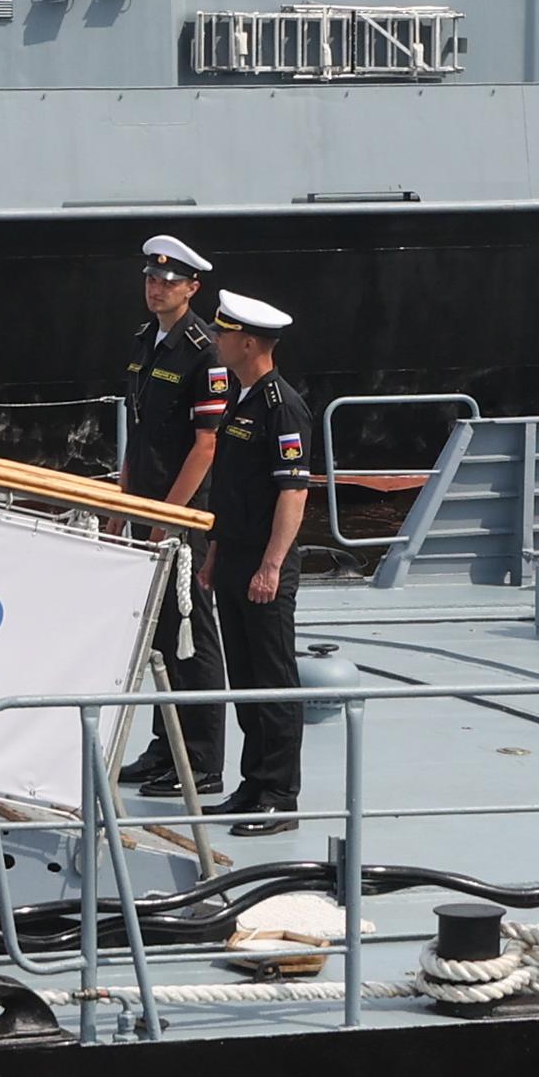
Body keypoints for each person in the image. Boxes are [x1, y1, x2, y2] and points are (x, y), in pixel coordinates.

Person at [111, 233, 228, 798]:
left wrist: (168, 514)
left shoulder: (204, 351)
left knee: (191, 629)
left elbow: (205, 445)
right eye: (151, 279)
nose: (156, 289)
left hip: (183, 511)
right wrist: (121, 502)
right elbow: (140, 433)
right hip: (146, 502)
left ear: (192, 288)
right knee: (159, 632)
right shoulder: (146, 342)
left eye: (169, 282)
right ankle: (167, 747)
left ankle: (201, 760)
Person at [202, 291, 321, 825]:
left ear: (247, 343)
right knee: (246, 679)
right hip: (232, 556)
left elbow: (292, 492)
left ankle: (279, 793)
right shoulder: (241, 398)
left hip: (263, 563)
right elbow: (231, 489)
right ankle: (252, 783)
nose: (217, 340)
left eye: (224, 333)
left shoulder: (282, 406)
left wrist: (271, 565)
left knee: (273, 680)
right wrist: (214, 554)